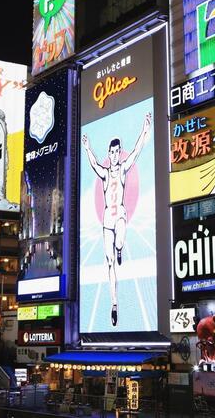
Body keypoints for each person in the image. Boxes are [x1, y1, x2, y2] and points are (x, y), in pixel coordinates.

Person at [81, 111, 151, 326]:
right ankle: (114, 304)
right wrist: (87, 148)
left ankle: (120, 248)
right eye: (111, 152)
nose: (114, 155)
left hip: (119, 214)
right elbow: (93, 164)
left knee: (119, 243)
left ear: (119, 153)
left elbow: (138, 151)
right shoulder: (104, 173)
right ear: (108, 153)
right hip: (106, 220)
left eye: (117, 151)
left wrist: (145, 129)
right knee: (110, 263)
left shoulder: (122, 171)